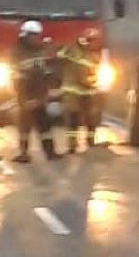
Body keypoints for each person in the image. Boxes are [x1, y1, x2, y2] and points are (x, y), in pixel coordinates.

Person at [13, 20, 59, 162]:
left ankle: (50, 152)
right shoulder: (18, 52)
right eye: (33, 35)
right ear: (26, 36)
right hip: (26, 93)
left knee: (45, 125)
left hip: (39, 92)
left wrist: (50, 86)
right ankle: (23, 153)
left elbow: (49, 69)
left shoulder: (42, 49)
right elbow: (18, 76)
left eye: (37, 35)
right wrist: (25, 98)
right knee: (25, 126)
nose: (35, 38)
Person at [58, 29, 103, 153]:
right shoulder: (73, 50)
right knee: (73, 118)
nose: (94, 44)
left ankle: (90, 141)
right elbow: (60, 55)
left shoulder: (94, 55)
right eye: (91, 41)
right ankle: (72, 144)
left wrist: (94, 83)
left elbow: (93, 73)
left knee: (91, 118)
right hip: (73, 92)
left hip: (88, 92)